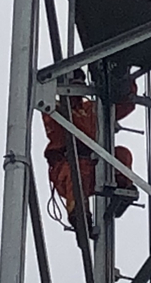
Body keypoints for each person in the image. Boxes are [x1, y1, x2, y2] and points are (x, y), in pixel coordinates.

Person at [42, 69, 138, 235]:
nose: (78, 87)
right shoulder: (54, 109)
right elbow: (74, 129)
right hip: (69, 164)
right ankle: (79, 214)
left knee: (122, 155)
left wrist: (124, 80)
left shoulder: (92, 107)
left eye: (80, 82)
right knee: (76, 174)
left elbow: (125, 105)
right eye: (74, 83)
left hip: (95, 163)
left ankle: (122, 189)